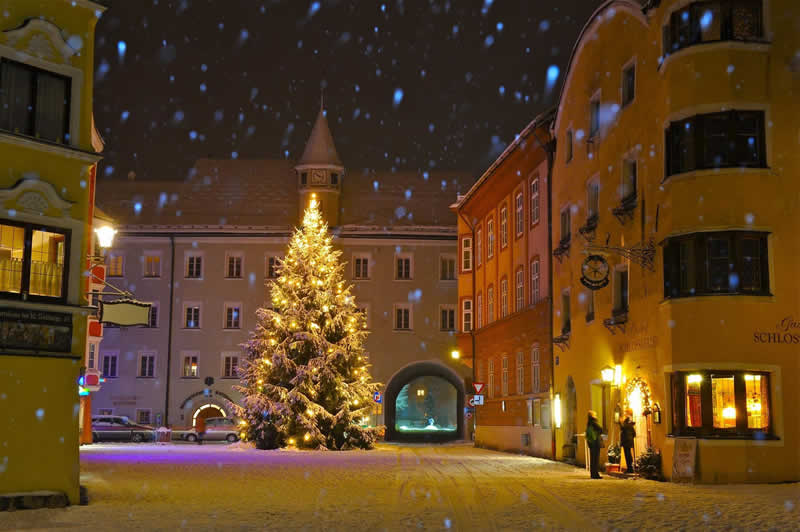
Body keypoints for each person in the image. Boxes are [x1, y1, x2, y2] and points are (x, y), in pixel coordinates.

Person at [585, 410, 604, 479]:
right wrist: (597, 434)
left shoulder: (589, 422)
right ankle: (595, 474)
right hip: (595, 442)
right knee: (596, 459)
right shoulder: (593, 422)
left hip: (591, 442)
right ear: (592, 415)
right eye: (595, 414)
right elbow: (601, 429)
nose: (596, 415)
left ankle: (593, 474)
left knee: (592, 458)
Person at [620, 409, 637, 474]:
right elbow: (634, 433)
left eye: (625, 413)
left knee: (628, 455)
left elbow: (623, 427)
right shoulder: (629, 422)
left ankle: (630, 468)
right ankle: (630, 468)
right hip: (628, 440)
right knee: (628, 454)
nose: (624, 414)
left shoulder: (627, 421)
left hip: (626, 441)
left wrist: (620, 422)